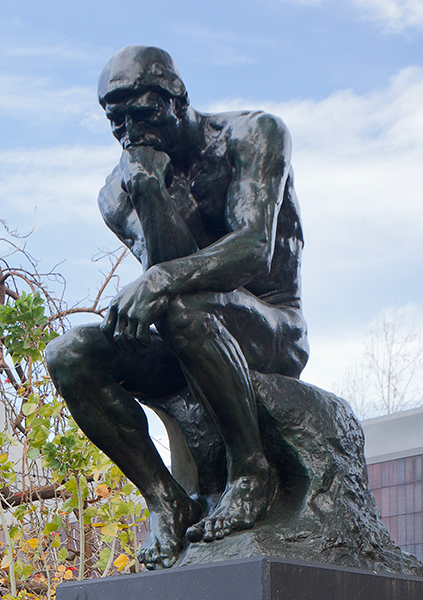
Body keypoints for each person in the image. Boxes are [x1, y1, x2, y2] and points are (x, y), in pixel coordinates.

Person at [46, 45, 309, 570]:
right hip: (187, 329)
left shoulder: (253, 135)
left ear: (176, 96)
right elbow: (169, 264)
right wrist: (149, 189)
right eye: (113, 119)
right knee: (69, 353)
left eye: (139, 112)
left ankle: (251, 471)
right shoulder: (117, 192)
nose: (127, 130)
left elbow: (251, 248)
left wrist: (162, 280)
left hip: (273, 323)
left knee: (177, 304)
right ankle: (167, 499)